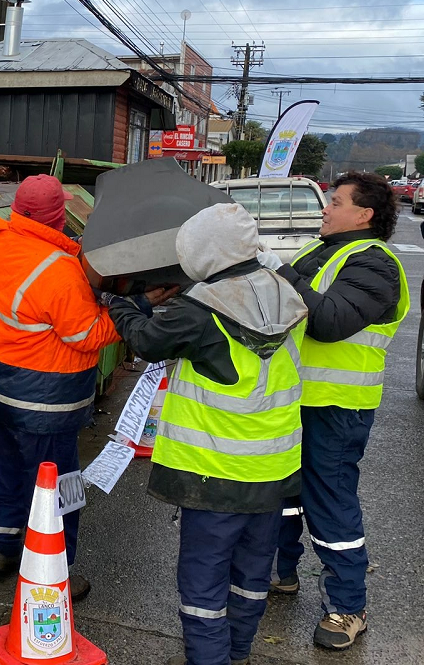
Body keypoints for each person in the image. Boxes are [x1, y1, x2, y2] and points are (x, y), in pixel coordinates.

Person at [101, 203, 307, 665]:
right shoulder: (287, 293)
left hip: (215, 471)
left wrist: (121, 305)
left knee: (202, 579)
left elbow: (148, 340)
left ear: (204, 253)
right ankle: (237, 651)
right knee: (252, 573)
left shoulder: (201, 311)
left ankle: (209, 659)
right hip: (274, 467)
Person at [0, 174, 129, 601]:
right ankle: (57, 568)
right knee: (61, 486)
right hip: (44, 402)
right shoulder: (60, 271)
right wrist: (132, 310)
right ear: (61, 216)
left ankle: (0, 548)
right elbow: (87, 335)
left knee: (3, 469)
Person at [270, 171, 408, 650]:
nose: (325, 208)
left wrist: (279, 272)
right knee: (282, 494)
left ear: (364, 214)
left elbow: (328, 322)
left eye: (335, 200)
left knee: (329, 502)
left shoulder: (375, 264)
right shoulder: (316, 251)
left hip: (337, 408)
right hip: (291, 400)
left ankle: (348, 607)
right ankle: (280, 573)